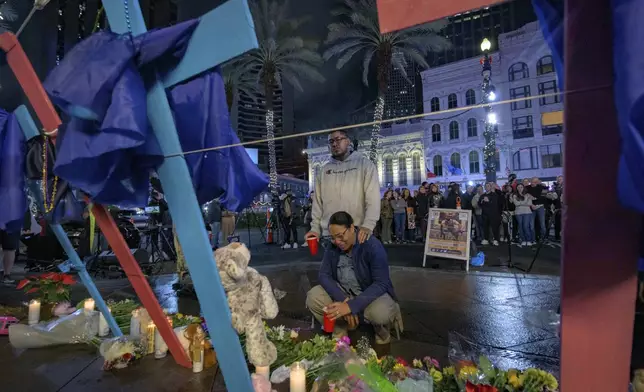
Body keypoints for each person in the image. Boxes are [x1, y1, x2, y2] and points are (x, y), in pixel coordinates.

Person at [305, 211, 402, 345]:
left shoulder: (371, 245)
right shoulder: (332, 246)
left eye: (340, 236)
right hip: (344, 294)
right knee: (314, 296)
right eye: (333, 238)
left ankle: (381, 330)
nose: (337, 242)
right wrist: (344, 302)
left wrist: (351, 306)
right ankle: (340, 328)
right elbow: (324, 275)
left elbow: (381, 283)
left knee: (380, 313)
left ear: (351, 228)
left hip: (369, 295)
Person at [306, 130, 380, 246]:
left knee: (358, 264)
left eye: (338, 139)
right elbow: (318, 203)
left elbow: (373, 199)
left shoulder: (365, 165)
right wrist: (315, 229)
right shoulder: (324, 171)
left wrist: (368, 225)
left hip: (356, 233)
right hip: (330, 235)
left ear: (348, 141)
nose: (334, 144)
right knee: (331, 264)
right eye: (331, 141)